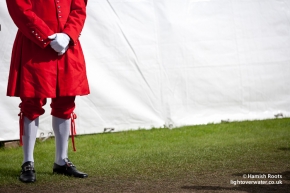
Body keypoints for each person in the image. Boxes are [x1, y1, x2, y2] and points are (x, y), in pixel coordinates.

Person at [6, 0, 90, 183]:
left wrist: (68, 35)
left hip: (67, 45)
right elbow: (19, 7)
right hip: (33, 44)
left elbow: (78, 8)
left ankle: (61, 160)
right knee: (31, 102)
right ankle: (28, 162)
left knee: (66, 102)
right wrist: (46, 36)